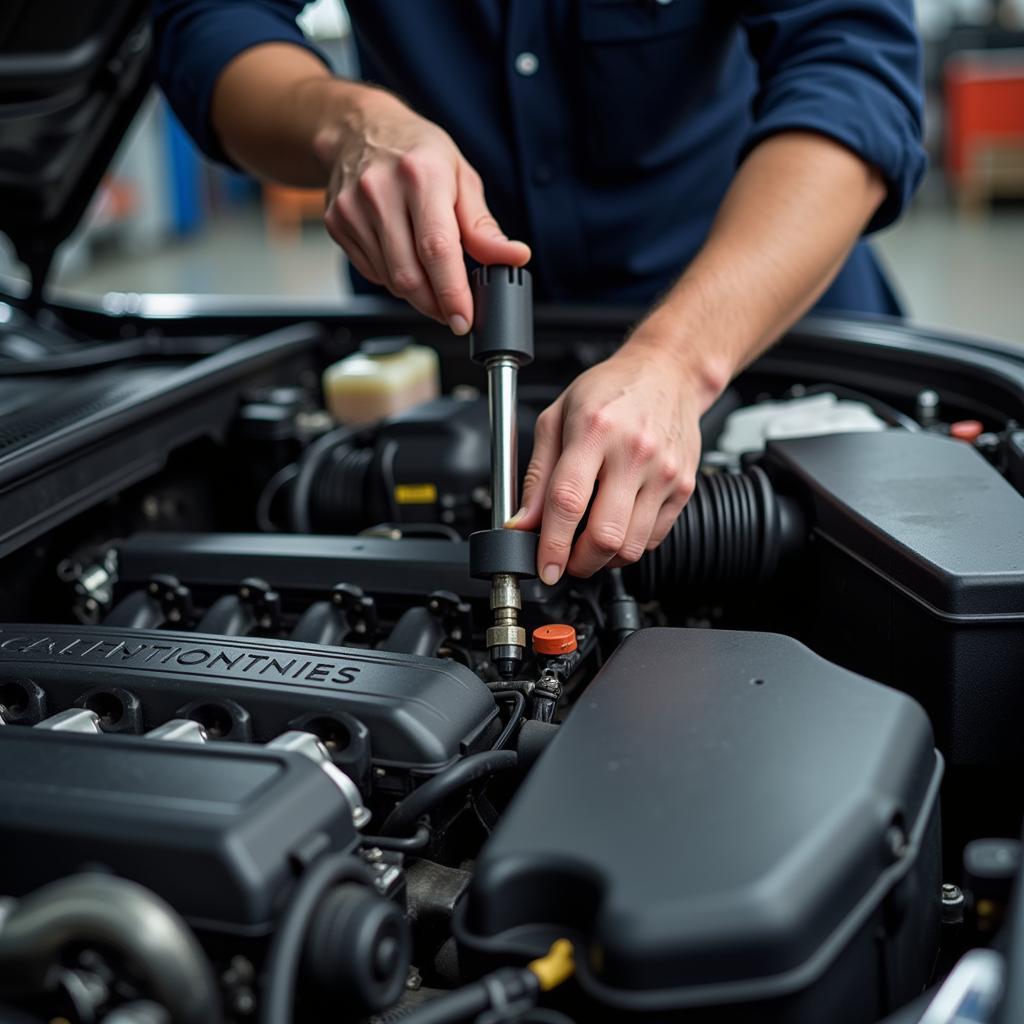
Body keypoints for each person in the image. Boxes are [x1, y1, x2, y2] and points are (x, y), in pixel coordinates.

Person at [153, 0, 925, 585]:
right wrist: (350, 121)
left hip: (752, 320)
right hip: (439, 337)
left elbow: (853, 67)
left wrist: (678, 360)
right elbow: (213, 20)